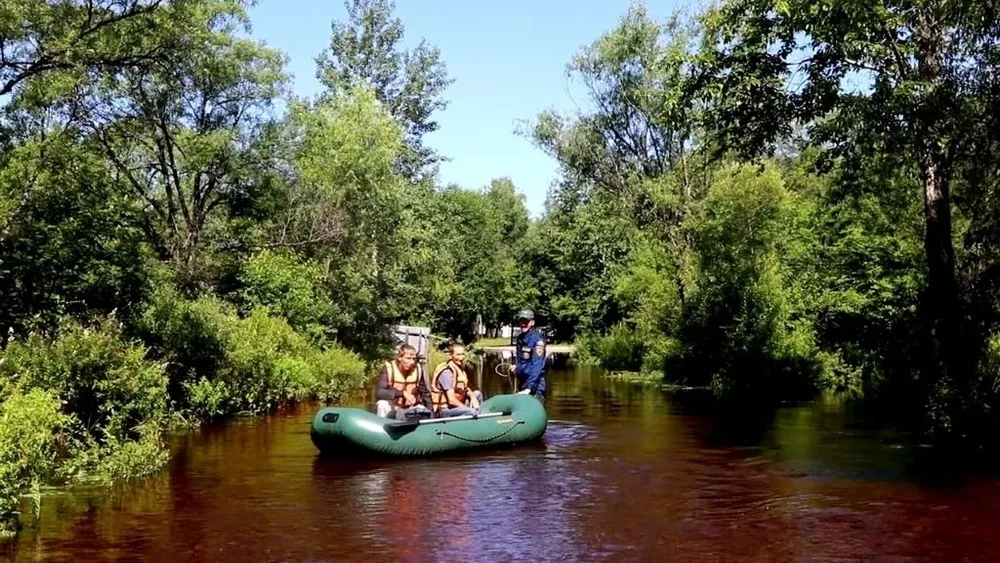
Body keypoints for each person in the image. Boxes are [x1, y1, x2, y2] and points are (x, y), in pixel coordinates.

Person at [375, 344, 432, 421]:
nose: (412, 362)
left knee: (423, 409)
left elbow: (425, 392)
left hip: (411, 407)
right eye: (408, 358)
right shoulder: (388, 368)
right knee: (382, 404)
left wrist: (430, 411)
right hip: (393, 407)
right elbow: (380, 392)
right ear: (400, 358)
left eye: (414, 359)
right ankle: (381, 427)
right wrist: (403, 393)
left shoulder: (417, 369)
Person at [430, 342, 483, 417]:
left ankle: (475, 416)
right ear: (451, 355)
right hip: (445, 410)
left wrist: (472, 396)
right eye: (458, 355)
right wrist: (466, 409)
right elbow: (451, 400)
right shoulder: (447, 372)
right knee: (472, 412)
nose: (461, 357)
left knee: (477, 394)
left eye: (463, 354)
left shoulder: (459, 368)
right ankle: (473, 416)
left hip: (456, 406)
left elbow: (464, 388)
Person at [512, 309, 546, 401]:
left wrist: (529, 388)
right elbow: (521, 360)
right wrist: (516, 367)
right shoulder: (520, 339)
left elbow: (537, 366)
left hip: (535, 386)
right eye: (521, 321)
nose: (523, 324)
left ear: (532, 323)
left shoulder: (537, 340)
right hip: (522, 384)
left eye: (526, 321)